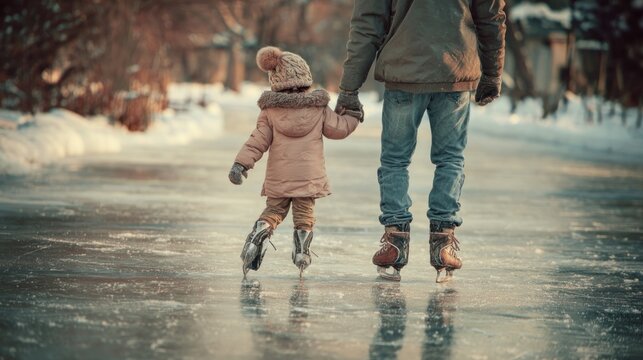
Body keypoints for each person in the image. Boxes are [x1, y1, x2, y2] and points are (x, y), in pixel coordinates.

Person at [335, 0, 506, 282]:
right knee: (450, 159)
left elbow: (368, 23)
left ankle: (395, 241)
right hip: (455, 70)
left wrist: (349, 87)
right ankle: (443, 243)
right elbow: (491, 17)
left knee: (395, 159)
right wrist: (493, 72)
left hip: (405, 72)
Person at [229, 46, 362, 279]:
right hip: (309, 177)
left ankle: (262, 229)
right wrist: (353, 116)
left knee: (274, 210)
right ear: (305, 78)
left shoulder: (270, 112)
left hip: (279, 176)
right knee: (304, 215)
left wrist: (241, 164)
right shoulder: (318, 107)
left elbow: (257, 141)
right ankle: (302, 249)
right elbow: (339, 129)